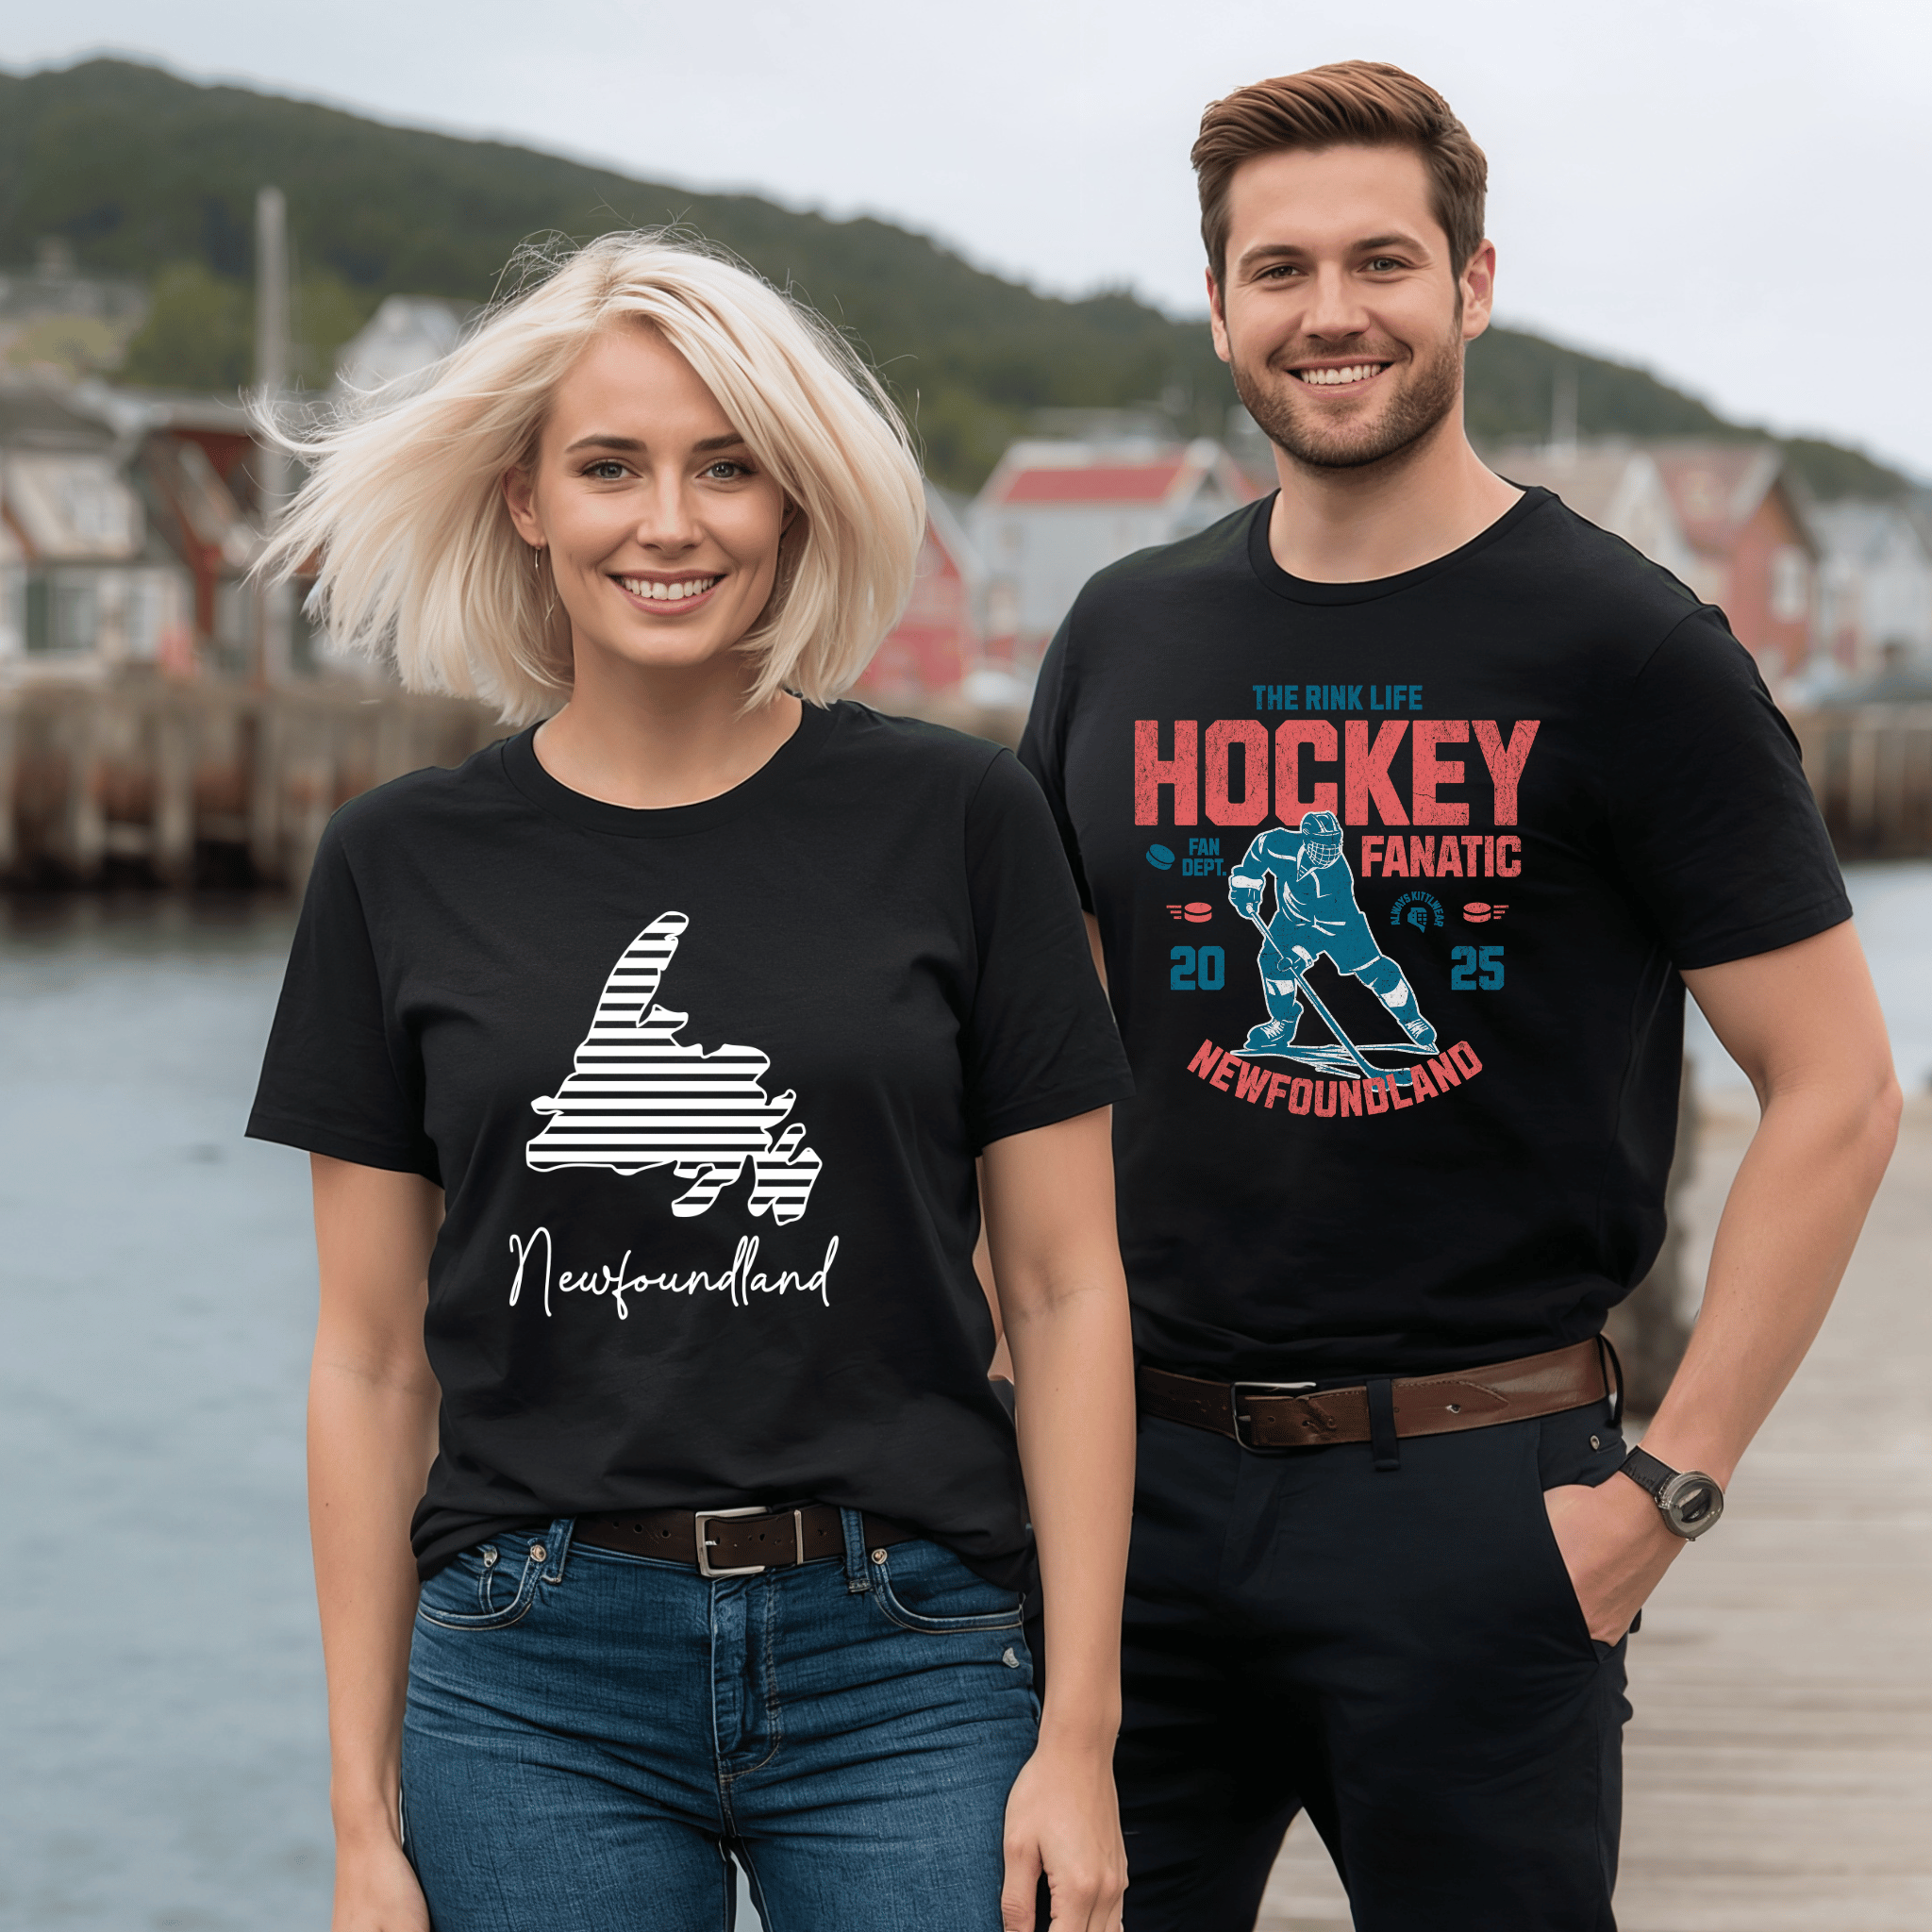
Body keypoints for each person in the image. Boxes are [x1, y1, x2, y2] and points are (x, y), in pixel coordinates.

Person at [1018, 60, 1900, 1932]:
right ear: (1219, 310)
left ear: (1472, 285)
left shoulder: (1624, 646)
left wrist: (1664, 1492)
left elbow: (1834, 1089)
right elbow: (1034, 1071)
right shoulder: (1124, 631)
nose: (1327, 311)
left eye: (1378, 261)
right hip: (1129, 1508)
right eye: (1277, 270)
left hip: (1483, 1503)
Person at [246, 233, 1136, 1932]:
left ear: (795, 501)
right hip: (530, 1676)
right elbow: (366, 1366)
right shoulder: (396, 865)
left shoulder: (962, 825)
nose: (672, 521)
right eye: (611, 467)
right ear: (525, 500)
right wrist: (363, 1824)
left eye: (728, 466)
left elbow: (1071, 1288)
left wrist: (1078, 1735)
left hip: (914, 1656)